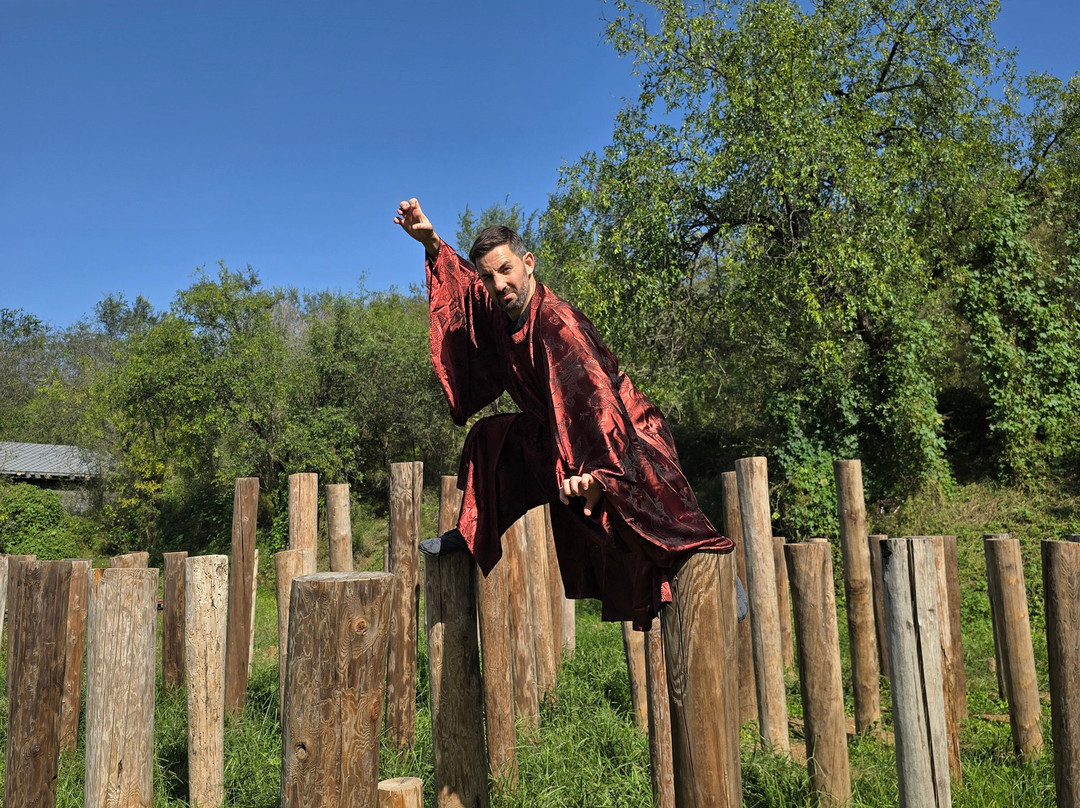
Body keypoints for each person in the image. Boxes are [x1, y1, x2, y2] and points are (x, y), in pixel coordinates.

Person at [394, 198, 735, 629]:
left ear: (528, 264)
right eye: (489, 277)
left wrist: (600, 476)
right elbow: (465, 294)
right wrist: (431, 243)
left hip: (626, 439)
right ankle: (471, 532)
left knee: (662, 529)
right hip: (560, 431)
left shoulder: (558, 326)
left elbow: (597, 407)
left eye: (506, 270)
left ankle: (719, 589)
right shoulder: (503, 310)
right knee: (490, 441)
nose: (499, 285)